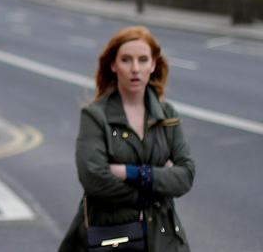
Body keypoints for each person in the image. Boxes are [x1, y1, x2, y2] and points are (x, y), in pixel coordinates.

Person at [58, 26, 194, 252]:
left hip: (163, 238)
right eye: (126, 60)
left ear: (153, 65)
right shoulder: (95, 116)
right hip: (112, 238)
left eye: (143, 60)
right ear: (113, 65)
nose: (135, 69)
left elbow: (186, 175)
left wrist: (130, 173)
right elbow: (94, 179)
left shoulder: (167, 115)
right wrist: (157, 183)